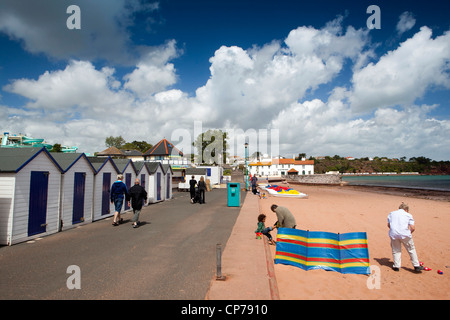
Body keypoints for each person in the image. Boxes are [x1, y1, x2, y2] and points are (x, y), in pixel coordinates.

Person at [387, 202, 424, 273]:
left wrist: (394, 230)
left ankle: (397, 266)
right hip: (405, 234)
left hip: (393, 234)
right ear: (406, 209)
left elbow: (388, 225)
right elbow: (413, 228)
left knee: (396, 250)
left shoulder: (391, 213)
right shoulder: (408, 215)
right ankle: (416, 265)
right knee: (411, 249)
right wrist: (408, 233)